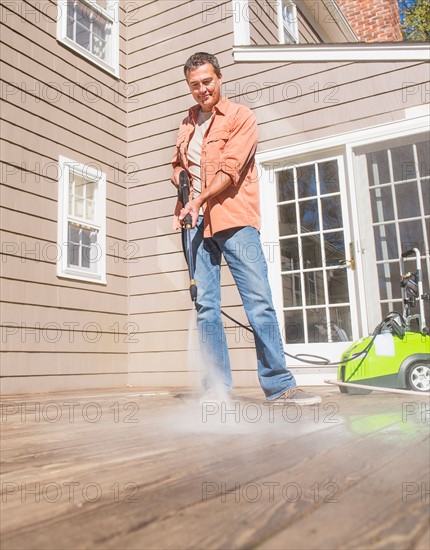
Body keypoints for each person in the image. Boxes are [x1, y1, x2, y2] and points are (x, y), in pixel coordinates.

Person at [171, 52, 321, 405]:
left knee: (259, 302)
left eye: (207, 81)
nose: (202, 89)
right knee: (206, 305)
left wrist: (198, 199)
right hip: (196, 224)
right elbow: (178, 165)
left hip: (234, 219)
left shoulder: (240, 117)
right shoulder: (187, 123)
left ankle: (280, 385)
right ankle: (217, 389)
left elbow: (230, 170)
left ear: (219, 78)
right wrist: (182, 197)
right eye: (195, 85)